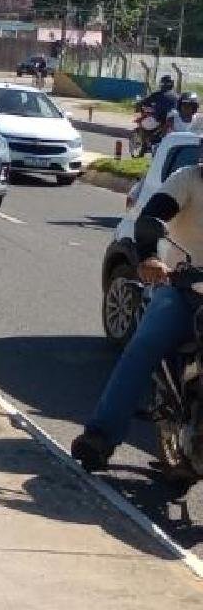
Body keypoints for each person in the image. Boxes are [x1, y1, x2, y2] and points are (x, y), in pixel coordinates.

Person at [72, 165, 203, 472]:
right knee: (143, 348)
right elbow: (152, 217)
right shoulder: (188, 179)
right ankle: (101, 435)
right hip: (184, 291)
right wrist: (151, 257)